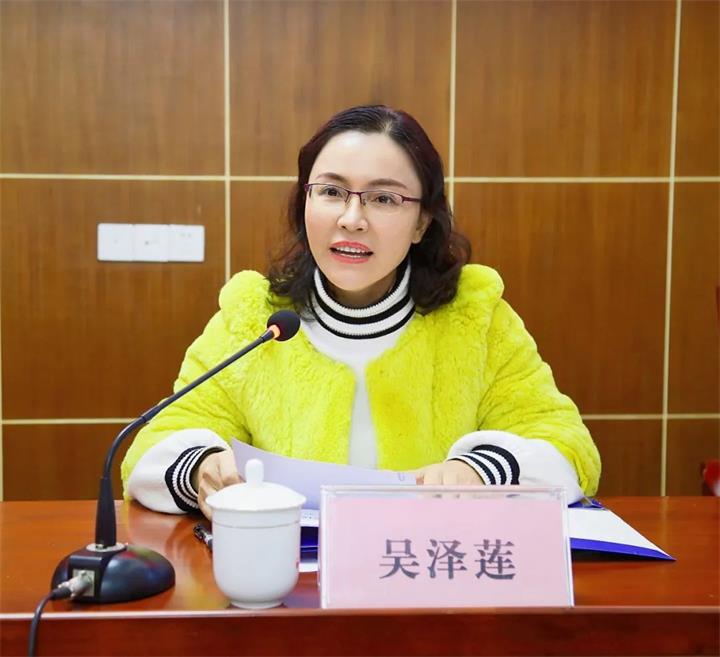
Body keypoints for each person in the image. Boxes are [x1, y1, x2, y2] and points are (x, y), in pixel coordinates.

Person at [121, 105, 601, 519]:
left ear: (422, 222)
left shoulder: (476, 319)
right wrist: (200, 467)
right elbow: (152, 447)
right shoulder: (254, 318)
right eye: (331, 192)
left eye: (384, 198)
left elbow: (567, 446)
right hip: (292, 581)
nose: (351, 219)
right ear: (304, 202)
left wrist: (480, 470)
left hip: (432, 575)